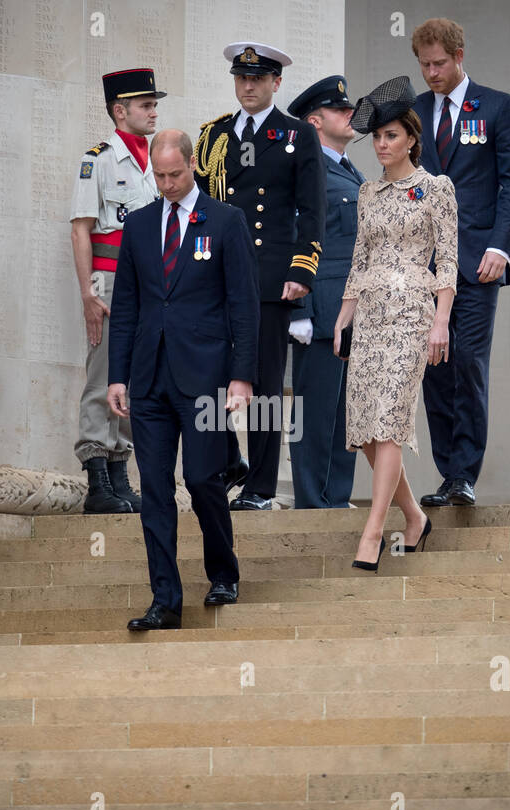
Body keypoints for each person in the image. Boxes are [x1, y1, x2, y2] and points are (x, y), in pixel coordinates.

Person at [107, 130, 259, 629]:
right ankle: (165, 601)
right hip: (148, 378)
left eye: (175, 174)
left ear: (192, 165)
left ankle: (223, 571)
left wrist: (242, 377)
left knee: (200, 479)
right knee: (154, 488)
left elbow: (244, 304)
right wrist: (117, 376)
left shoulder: (226, 220)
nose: (168, 184)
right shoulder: (141, 225)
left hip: (206, 376)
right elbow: (127, 306)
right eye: (160, 176)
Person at [194, 41, 326, 511]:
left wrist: (302, 270)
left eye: (257, 78)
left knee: (266, 385)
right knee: (205, 375)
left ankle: (260, 487)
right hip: (217, 276)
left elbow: (312, 211)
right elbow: (200, 209)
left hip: (270, 278)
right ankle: (229, 460)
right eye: (241, 78)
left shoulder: (296, 135)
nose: (248, 86)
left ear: (276, 82)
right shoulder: (213, 136)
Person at [333, 76, 455, 569]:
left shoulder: (436, 189)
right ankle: (415, 517)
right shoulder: (367, 192)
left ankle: (373, 531)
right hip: (370, 317)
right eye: (377, 137)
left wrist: (441, 322)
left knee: (388, 421)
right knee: (364, 428)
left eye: (391, 137)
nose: (382, 145)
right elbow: (359, 260)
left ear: (411, 139)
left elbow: (446, 261)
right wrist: (343, 318)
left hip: (412, 314)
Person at [410, 17, 510, 508]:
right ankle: (446, 472)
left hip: (479, 262)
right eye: (424, 65)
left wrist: (501, 247)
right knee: (434, 368)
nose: (432, 73)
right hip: (425, 263)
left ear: (460, 56)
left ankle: (465, 474)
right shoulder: (413, 112)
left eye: (439, 63)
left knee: (469, 364)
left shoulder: (498, 106)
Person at [69, 68, 165, 514]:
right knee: (103, 372)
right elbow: (81, 230)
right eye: (145, 105)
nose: (153, 111)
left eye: (154, 104)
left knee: (134, 377)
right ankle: (96, 480)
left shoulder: (157, 157)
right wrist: (89, 293)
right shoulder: (98, 159)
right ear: (120, 110)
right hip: (109, 282)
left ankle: (120, 473)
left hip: (149, 283)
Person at [285, 75, 362, 510]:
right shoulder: (306, 167)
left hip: (353, 313)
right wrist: (298, 308)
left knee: (346, 415)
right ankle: (313, 502)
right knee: (315, 414)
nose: (349, 114)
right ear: (315, 121)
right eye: (338, 109)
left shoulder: (350, 170)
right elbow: (298, 238)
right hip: (320, 314)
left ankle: (337, 497)